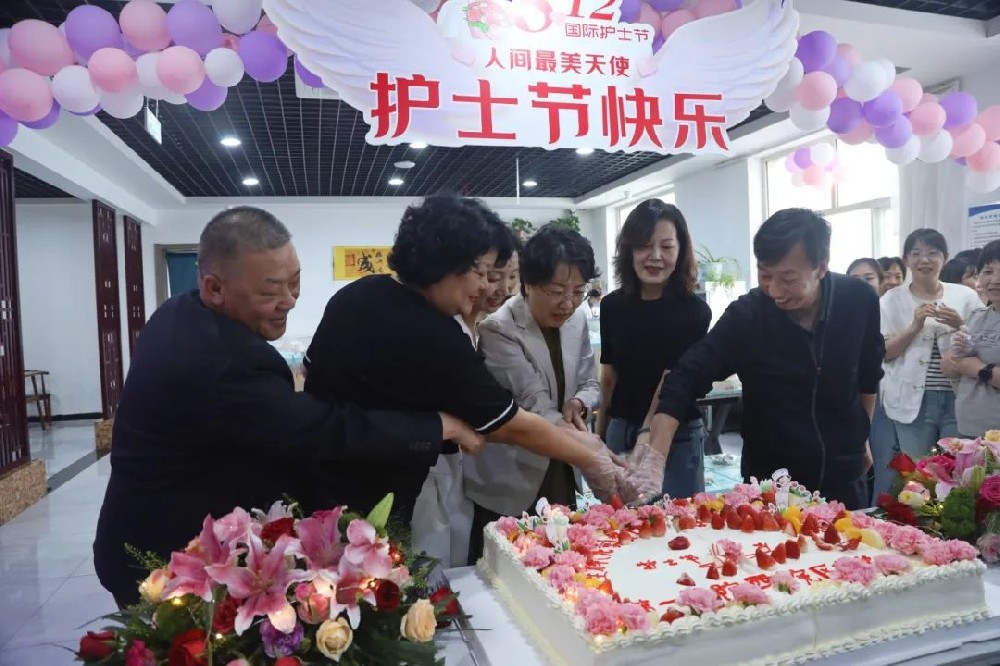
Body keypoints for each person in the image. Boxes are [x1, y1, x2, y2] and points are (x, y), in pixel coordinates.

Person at [93, 207, 482, 607]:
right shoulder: (224, 363)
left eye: (295, 282)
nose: (289, 301)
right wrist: (435, 427)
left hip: (145, 533)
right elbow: (320, 430)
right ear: (214, 287)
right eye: (270, 292)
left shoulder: (181, 311)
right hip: (167, 559)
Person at [303, 195, 627, 532]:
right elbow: (509, 423)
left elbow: (312, 371)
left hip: (316, 484)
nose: (486, 286)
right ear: (444, 261)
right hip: (372, 507)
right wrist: (590, 458)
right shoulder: (437, 334)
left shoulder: (357, 293)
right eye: (480, 272)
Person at [631, 209, 884, 509]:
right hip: (771, 483)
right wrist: (655, 460)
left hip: (843, 475)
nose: (774, 290)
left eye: (788, 278)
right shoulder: (748, 316)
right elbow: (685, 377)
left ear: (821, 267)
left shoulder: (858, 300)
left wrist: (861, 436)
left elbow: (868, 374)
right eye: (765, 275)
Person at [465, 225, 601, 559]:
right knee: (511, 569)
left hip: (562, 467)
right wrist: (599, 457)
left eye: (578, 291)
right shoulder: (499, 329)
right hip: (512, 479)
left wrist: (579, 402)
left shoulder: (577, 320)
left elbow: (591, 382)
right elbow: (536, 405)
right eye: (556, 291)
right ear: (527, 283)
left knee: (564, 563)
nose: (568, 303)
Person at [411, 239, 520, 568]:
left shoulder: (482, 328)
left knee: (458, 558)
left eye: (512, 277)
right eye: (491, 275)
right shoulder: (444, 330)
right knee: (429, 561)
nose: (501, 288)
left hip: (464, 467)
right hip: (430, 464)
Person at [597, 199, 711, 498]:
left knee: (679, 519)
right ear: (629, 250)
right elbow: (609, 375)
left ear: (681, 251)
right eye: (645, 246)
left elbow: (671, 381)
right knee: (620, 519)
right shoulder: (612, 306)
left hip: (677, 434)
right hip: (621, 428)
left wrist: (646, 438)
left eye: (667, 246)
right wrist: (599, 434)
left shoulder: (694, 312)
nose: (656, 256)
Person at [880, 229, 983, 459]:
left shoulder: (965, 296)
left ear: (945, 258)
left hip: (959, 397)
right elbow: (885, 353)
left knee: (959, 469)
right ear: (906, 259)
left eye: (932, 253)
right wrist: (914, 327)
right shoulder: (891, 300)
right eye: (916, 253)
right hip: (911, 400)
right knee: (918, 471)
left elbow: (986, 346)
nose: (924, 260)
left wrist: (960, 324)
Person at [943, 240, 1000, 437]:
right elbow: (951, 369)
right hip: (969, 429)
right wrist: (956, 356)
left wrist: (981, 370)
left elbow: (970, 367)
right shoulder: (977, 316)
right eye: (988, 271)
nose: (995, 280)